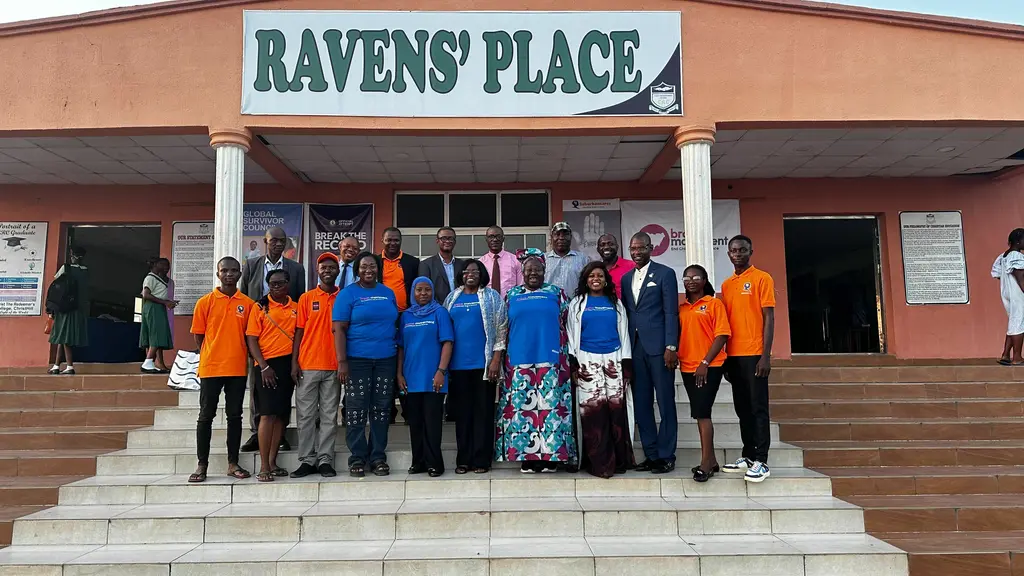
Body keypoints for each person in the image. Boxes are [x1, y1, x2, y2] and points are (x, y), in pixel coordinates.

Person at [495, 249, 576, 473]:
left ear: (544, 271)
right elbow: (502, 328)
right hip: (519, 363)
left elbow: (569, 324)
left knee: (551, 410)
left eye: (537, 269)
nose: (533, 273)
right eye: (529, 269)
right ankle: (527, 458)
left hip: (551, 361)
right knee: (522, 411)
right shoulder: (511, 295)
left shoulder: (557, 293)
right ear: (522, 272)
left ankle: (551, 457)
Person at [566, 261, 635, 479]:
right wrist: (574, 364)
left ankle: (619, 461)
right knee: (593, 412)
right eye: (591, 276)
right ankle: (598, 463)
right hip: (587, 361)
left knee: (615, 410)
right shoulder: (577, 304)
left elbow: (624, 333)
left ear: (606, 280)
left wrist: (626, 364)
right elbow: (570, 335)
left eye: (600, 276)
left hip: (614, 360)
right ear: (585, 280)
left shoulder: (616, 303)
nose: (596, 279)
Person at [333, 251, 399, 477]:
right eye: (363, 267)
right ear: (356, 270)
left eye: (372, 266)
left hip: (386, 359)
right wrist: (342, 361)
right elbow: (339, 329)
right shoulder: (347, 294)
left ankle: (378, 457)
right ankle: (357, 458)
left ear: (378, 269)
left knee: (382, 409)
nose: (368, 270)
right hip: (357, 360)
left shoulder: (388, 293)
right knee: (356, 410)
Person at [188, 257, 254, 483]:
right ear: (217, 274)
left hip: (237, 368)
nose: (229, 274)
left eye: (234, 270)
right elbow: (199, 336)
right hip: (211, 368)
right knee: (206, 416)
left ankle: (233, 463)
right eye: (224, 270)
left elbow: (250, 336)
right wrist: (211, 353)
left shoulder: (248, 304)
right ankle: (202, 464)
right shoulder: (204, 302)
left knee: (234, 416)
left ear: (240, 274)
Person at [241, 227, 305, 453]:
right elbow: (245, 298)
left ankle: (281, 433)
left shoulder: (296, 268)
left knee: (283, 393)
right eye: (273, 240)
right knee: (258, 389)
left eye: (282, 240)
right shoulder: (251, 265)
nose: (278, 244)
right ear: (265, 241)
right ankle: (255, 432)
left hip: (286, 339)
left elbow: (299, 301)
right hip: (258, 337)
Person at [621, 232, 679, 474]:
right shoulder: (626, 278)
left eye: (641, 248)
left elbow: (671, 312)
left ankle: (666, 455)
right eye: (633, 249)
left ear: (650, 248)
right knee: (642, 404)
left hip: (659, 349)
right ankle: (652, 454)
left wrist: (671, 346)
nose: (636, 252)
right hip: (635, 349)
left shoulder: (665, 274)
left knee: (665, 402)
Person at [720, 234, 776, 483]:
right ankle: (748, 456)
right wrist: (725, 357)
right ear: (728, 254)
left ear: (750, 252)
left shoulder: (762, 278)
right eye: (734, 250)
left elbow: (769, 317)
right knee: (742, 409)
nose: (738, 254)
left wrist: (765, 355)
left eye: (742, 250)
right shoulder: (726, 285)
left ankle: (762, 460)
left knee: (758, 408)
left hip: (755, 354)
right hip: (734, 355)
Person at [443, 259, 507, 474]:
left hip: (484, 366)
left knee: (483, 413)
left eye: (475, 271)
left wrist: (496, 360)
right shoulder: (452, 298)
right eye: (466, 271)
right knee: (462, 415)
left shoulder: (492, 297)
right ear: (461, 275)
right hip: (457, 366)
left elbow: (501, 329)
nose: (470, 274)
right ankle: (464, 459)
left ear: (482, 275)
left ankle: (481, 460)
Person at [290, 253, 342, 478]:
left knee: (329, 416)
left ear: (338, 271)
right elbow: (299, 332)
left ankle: (325, 460)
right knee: (306, 416)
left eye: (331, 267)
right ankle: (307, 460)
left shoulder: (344, 297)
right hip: (308, 365)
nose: (327, 270)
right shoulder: (306, 298)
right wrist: (294, 362)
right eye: (323, 267)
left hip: (333, 365)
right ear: (317, 271)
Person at [678, 264, 731, 483]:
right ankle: (713, 460)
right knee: (699, 413)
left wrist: (705, 362)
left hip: (709, 367)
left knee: (703, 413)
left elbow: (722, 335)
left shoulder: (713, 304)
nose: (691, 281)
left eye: (695, 277)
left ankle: (706, 463)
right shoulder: (682, 308)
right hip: (687, 367)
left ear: (704, 280)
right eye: (686, 278)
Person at [245, 269, 298, 482]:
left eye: (281, 283)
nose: (277, 287)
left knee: (281, 415)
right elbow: (251, 339)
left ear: (288, 283)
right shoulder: (259, 307)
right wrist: (264, 366)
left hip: (288, 364)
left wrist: (294, 365)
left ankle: (273, 461)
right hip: (266, 365)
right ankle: (264, 466)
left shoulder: (296, 307)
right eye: (273, 284)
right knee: (266, 414)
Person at [398, 277, 454, 477]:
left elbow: (447, 343)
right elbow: (401, 347)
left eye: (427, 290)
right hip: (410, 378)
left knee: (432, 423)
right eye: (419, 290)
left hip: (433, 378)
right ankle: (418, 462)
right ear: (413, 292)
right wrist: (399, 374)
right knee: (415, 423)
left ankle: (435, 464)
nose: (423, 293)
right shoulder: (406, 316)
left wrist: (441, 371)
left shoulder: (440, 312)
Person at [376, 227, 420, 422]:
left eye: (396, 240)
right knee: (386, 361)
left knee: (406, 360)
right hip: (382, 318)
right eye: (389, 240)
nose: (392, 243)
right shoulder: (375, 262)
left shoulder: (412, 262)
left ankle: (408, 410)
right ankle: (388, 411)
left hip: (405, 316)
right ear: (382, 240)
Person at [48, 246, 90, 376]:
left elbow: (56, 284)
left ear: (72, 255)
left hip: (65, 307)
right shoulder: (86, 271)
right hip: (79, 308)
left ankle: (69, 366)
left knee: (65, 336)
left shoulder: (66, 268)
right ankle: (56, 365)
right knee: (63, 336)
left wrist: (52, 307)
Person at [140, 257, 177, 374]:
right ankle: (148, 361)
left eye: (168, 265)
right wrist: (165, 302)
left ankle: (158, 364)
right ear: (155, 265)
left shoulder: (160, 278)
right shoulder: (150, 278)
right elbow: (146, 294)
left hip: (158, 307)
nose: (167, 267)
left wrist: (168, 302)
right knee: (157, 333)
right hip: (153, 307)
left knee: (157, 335)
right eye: (163, 264)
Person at [992, 228, 1024, 365]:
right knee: (1019, 323)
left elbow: (998, 275)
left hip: (1007, 292)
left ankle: (1005, 355)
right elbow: (1021, 277)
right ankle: (1017, 357)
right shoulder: (1017, 256)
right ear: (1018, 241)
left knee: (1014, 322)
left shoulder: (1003, 256)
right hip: (1018, 294)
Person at [419, 226, 465, 304]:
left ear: (455, 241)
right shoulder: (426, 264)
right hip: (436, 308)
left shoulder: (462, 264)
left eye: (450, 238)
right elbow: (424, 291)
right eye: (443, 238)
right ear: (437, 241)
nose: (447, 241)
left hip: (459, 307)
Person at [545, 222, 591, 297]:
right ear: (551, 237)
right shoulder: (543, 259)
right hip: (549, 303)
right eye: (557, 234)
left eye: (565, 234)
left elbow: (589, 284)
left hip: (575, 303)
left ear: (571, 237)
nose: (561, 238)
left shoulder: (583, 259)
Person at [478, 226, 521, 300]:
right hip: (487, 303)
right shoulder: (480, 263)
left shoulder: (515, 260)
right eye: (491, 237)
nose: (495, 239)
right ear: (486, 239)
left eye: (498, 236)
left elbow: (520, 286)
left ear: (503, 239)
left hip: (510, 303)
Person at [597, 234, 634, 299]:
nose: (606, 247)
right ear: (598, 249)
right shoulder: (596, 269)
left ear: (617, 247)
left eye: (610, 244)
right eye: (602, 245)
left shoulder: (631, 266)